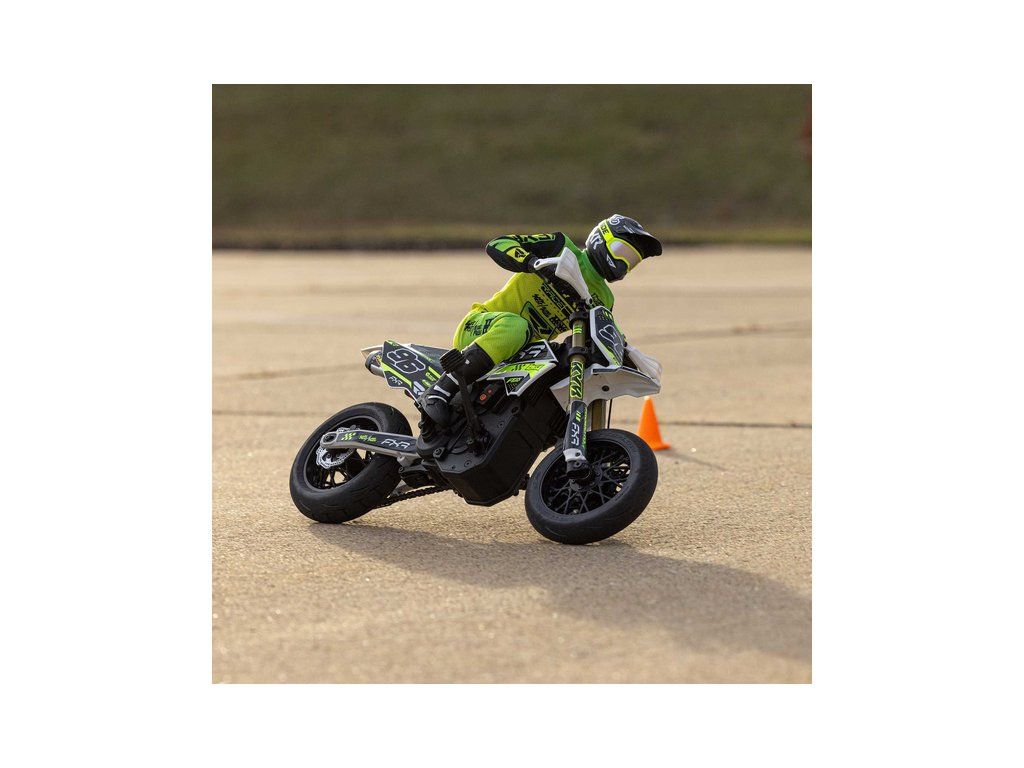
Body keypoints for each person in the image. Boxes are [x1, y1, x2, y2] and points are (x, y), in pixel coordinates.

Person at [420, 214, 662, 427]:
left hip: (522, 357)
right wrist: (533, 262)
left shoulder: (604, 298)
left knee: (562, 364)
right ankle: (440, 390)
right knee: (517, 327)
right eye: (623, 253)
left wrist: (630, 355)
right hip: (481, 330)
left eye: (632, 261)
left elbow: (605, 335)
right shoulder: (561, 247)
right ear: (601, 239)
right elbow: (499, 244)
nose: (624, 264)